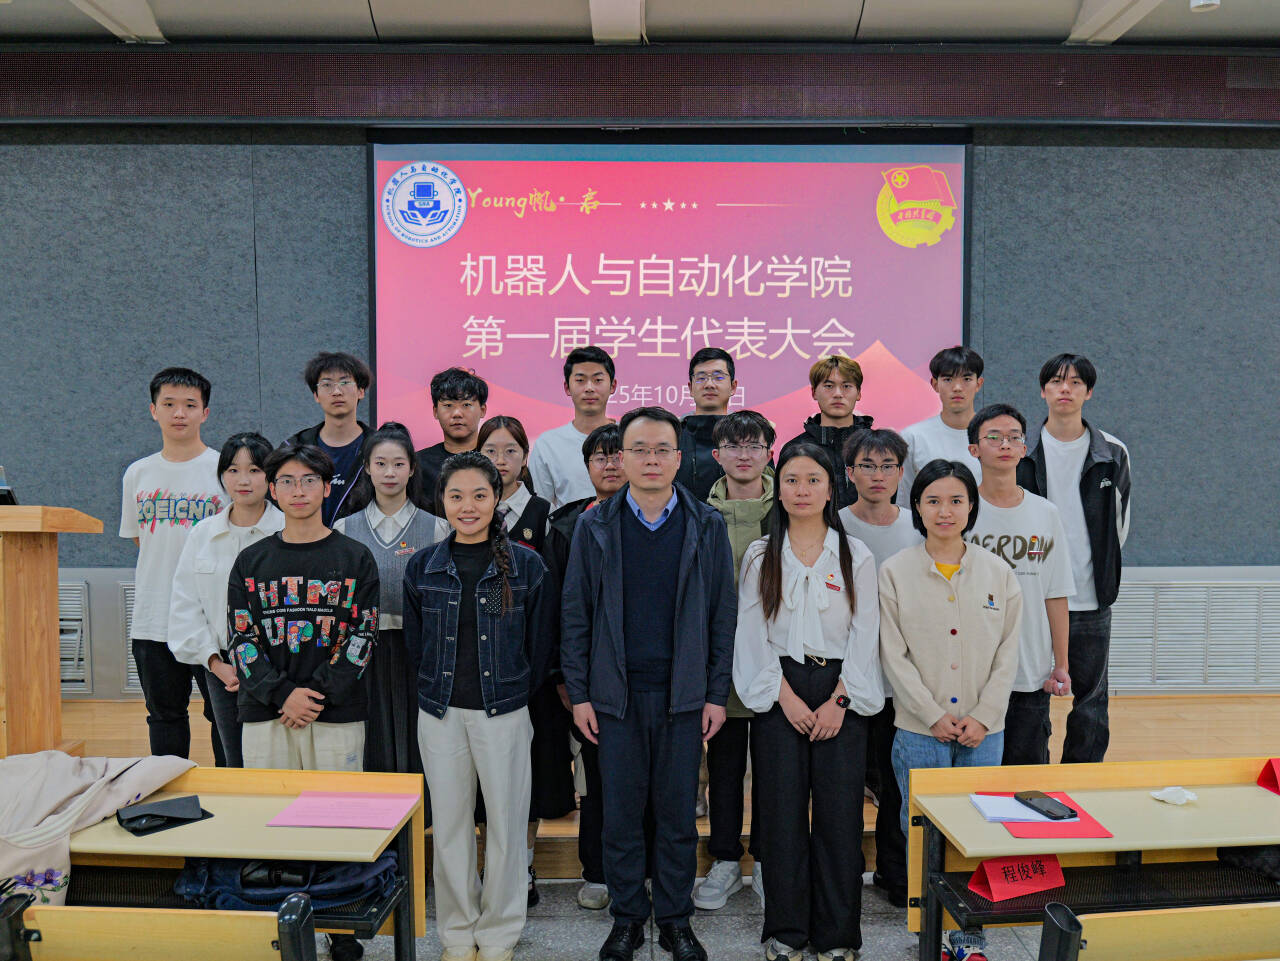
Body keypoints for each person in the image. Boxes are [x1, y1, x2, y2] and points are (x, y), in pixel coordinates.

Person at [561, 406, 736, 961]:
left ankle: (676, 920)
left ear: (679, 459)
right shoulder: (595, 525)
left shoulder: (706, 524)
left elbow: (723, 616)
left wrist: (715, 693)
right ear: (623, 458)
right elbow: (576, 615)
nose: (651, 459)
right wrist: (580, 694)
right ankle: (628, 918)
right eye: (640, 449)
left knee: (677, 814)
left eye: (662, 449)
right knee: (620, 814)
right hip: (614, 697)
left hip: (683, 697)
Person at [228, 443, 379, 961]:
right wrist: (281, 694)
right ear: (273, 490)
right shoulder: (251, 560)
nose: (299, 490)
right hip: (266, 713)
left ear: (325, 487)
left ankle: (342, 932)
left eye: (309, 480)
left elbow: (361, 637)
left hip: (335, 714)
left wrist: (313, 696)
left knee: (338, 824)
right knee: (270, 822)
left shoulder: (354, 557)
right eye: (288, 481)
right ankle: (276, 931)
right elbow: (242, 639)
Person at [733, 441, 882, 961]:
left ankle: (838, 936)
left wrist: (840, 700)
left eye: (813, 480)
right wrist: (786, 699)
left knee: (840, 819)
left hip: (841, 690)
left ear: (831, 488)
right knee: (780, 816)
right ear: (778, 489)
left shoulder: (855, 554)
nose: (802, 490)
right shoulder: (761, 554)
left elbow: (867, 634)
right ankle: (786, 931)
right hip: (780, 690)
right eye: (792, 480)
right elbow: (750, 635)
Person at [404, 452, 556, 961]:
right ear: (441, 501)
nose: (467, 506)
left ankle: (499, 932)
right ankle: (456, 930)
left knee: (507, 824)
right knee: (449, 826)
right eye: (456, 496)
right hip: (440, 714)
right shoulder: (423, 566)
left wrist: (514, 693)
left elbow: (540, 645)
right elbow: (416, 647)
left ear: (496, 500)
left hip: (504, 713)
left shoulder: (526, 565)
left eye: (479, 495)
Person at [878, 460, 1022, 961]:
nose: (945, 510)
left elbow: (1009, 653)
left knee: (978, 829)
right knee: (921, 832)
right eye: (933, 500)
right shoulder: (895, 572)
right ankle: (929, 929)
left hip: (985, 732)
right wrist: (931, 714)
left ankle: (970, 935)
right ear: (917, 508)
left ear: (971, 507)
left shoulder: (998, 572)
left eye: (956, 500)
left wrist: (983, 715)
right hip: (920, 731)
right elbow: (893, 655)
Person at [1017, 354, 1130, 764]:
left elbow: (1120, 525)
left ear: (1089, 392)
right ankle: (1033, 775)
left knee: (1091, 700)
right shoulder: (1021, 449)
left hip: (1089, 597)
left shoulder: (1112, 452)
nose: (1066, 389)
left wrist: (1096, 573)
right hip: (1030, 597)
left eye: (1077, 382)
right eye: (1057, 381)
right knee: (1030, 695)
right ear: (1043, 390)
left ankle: (1082, 778)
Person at [478, 414, 567, 907]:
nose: (500, 460)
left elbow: (554, 597)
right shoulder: (465, 511)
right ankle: (491, 866)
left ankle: (524, 865)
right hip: (478, 669)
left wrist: (548, 668)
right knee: (483, 778)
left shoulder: (542, 513)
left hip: (531, 667)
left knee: (529, 774)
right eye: (490, 451)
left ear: (525, 457)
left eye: (510, 450)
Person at [120, 366, 226, 762]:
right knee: (164, 715)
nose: (179, 413)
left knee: (223, 715)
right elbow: (140, 538)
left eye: (190, 405)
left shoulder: (224, 470)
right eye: (169, 404)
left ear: (205, 413)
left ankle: (229, 790)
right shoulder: (138, 473)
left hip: (211, 617)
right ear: (153, 411)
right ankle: (170, 790)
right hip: (154, 616)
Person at [837, 427, 923, 910]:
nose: (878, 475)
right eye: (867, 466)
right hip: (847, 675)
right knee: (845, 781)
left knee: (896, 781)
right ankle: (844, 871)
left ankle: (895, 871)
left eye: (888, 466)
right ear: (849, 472)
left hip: (903, 677)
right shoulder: (833, 525)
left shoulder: (918, 525)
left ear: (900, 472)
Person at [693, 410, 775, 912]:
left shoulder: (788, 510)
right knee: (723, 769)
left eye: (754, 445)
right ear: (716, 454)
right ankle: (724, 859)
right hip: (718, 663)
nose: (744, 455)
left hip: (776, 664)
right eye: (733, 446)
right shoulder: (698, 515)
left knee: (773, 769)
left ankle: (767, 860)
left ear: (769, 452)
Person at [541, 423, 625, 912]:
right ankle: (597, 872)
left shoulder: (662, 518)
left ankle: (643, 869)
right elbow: (556, 610)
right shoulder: (567, 526)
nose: (610, 464)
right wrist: (563, 677)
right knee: (595, 779)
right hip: (589, 678)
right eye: (600, 457)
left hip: (645, 677)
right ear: (587, 466)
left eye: (618, 454)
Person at [334, 422, 447, 775]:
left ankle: (421, 808)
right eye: (380, 464)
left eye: (398, 464)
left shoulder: (437, 528)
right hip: (362, 649)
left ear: (412, 469)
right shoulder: (344, 530)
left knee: (420, 740)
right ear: (367, 468)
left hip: (420, 649)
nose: (389, 473)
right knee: (373, 741)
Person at [966, 404, 1074, 767]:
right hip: (972, 673)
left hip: (1029, 669)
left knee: (1026, 779)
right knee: (977, 780)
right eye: (994, 437)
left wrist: (1061, 664)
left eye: (1014, 437)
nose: (1005, 445)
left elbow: (1055, 594)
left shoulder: (1045, 513)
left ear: (1024, 449)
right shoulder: (960, 512)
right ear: (974, 449)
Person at [168, 432, 283, 768]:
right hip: (224, 668)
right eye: (233, 470)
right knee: (235, 760)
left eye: (254, 470)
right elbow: (186, 606)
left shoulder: (287, 529)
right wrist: (216, 664)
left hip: (281, 669)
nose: (243, 480)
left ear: (270, 476)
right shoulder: (203, 534)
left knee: (280, 762)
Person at [283, 351, 373, 526]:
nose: (337, 391)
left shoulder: (379, 447)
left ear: (361, 391)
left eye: (345, 382)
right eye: (327, 384)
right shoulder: (293, 447)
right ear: (316, 395)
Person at [528, 346, 618, 510]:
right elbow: (541, 509)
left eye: (598, 380)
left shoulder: (629, 438)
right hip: (568, 526)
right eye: (580, 380)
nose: (589, 388)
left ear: (613, 386)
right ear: (567, 387)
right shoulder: (548, 444)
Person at [898, 346, 985, 505]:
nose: (957, 388)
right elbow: (905, 503)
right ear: (935, 384)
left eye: (966, 379)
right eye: (948, 379)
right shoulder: (913, 437)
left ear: (978, 384)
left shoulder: (995, 437)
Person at [784, 357, 872, 509]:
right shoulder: (796, 448)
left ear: (858, 393)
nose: (838, 394)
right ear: (814, 392)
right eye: (829, 386)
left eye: (846, 386)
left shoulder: (877, 447)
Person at [417, 367, 489, 514]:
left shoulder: (495, 460)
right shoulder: (418, 464)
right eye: (448, 405)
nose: (457, 413)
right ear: (435, 411)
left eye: (466, 405)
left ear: (482, 410)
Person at [675, 347, 738, 501]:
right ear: (690, 388)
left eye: (718, 377)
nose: (709, 384)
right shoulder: (673, 436)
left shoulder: (751, 435)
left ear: (733, 387)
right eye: (701, 378)